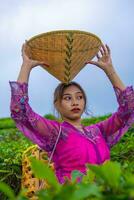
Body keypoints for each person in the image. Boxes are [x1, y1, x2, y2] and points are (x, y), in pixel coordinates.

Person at [9, 42, 134, 184]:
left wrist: (109, 70)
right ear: (57, 104)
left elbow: (129, 108)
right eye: (68, 98)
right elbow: (20, 110)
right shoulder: (56, 132)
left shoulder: (99, 131)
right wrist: (26, 66)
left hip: (105, 192)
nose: (75, 102)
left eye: (79, 97)